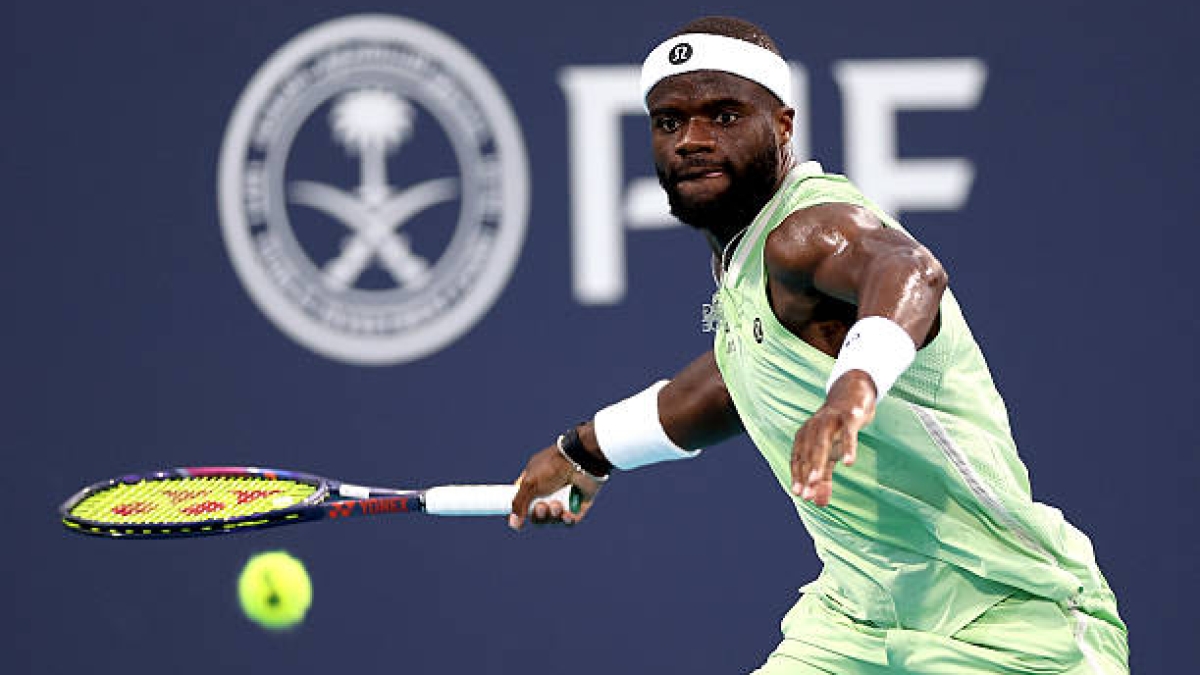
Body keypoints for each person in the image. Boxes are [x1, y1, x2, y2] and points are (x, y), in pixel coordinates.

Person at [509, 15, 1129, 675]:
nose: (692, 139)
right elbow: (730, 379)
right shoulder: (749, 261)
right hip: (853, 622)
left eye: (723, 116)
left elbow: (910, 270)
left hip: (1009, 622)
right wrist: (587, 450)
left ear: (781, 125)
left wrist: (851, 391)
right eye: (670, 121)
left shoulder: (805, 230)